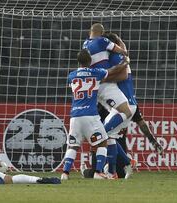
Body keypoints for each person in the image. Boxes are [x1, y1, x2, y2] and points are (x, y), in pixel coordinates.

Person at [82, 32, 163, 179]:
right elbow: (123, 52)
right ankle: (121, 166)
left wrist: (99, 78)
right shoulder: (121, 58)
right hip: (125, 106)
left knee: (102, 135)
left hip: (125, 107)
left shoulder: (114, 59)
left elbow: (122, 75)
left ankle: (113, 169)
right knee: (109, 136)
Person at [61, 49, 129, 180]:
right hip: (90, 114)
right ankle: (98, 172)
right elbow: (113, 71)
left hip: (75, 115)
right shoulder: (96, 73)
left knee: (73, 145)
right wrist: (125, 63)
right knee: (103, 143)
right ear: (90, 61)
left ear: (78, 61)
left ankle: (65, 173)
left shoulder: (71, 75)